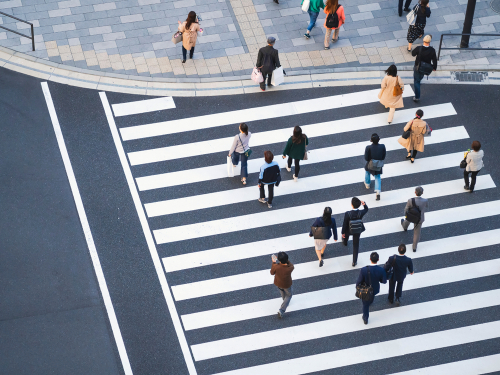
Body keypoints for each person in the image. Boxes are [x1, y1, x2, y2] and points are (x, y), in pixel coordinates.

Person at [356, 252, 387, 324]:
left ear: (370, 259)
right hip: (375, 289)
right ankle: (370, 301)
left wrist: (357, 286)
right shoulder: (381, 270)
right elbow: (384, 281)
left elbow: (359, 281)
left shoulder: (363, 270)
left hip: (365, 290)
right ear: (378, 260)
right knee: (371, 296)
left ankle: (365, 318)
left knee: (365, 304)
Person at [342, 197, 368, 267]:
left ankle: (345, 242)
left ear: (351, 204)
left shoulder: (348, 214)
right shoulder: (361, 212)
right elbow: (366, 209)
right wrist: (364, 204)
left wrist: (343, 232)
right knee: (356, 245)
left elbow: (344, 224)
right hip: (357, 230)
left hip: (349, 229)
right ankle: (354, 261)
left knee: (346, 235)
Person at [401, 186, 428, 252]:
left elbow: (406, 209)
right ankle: (414, 247)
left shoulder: (410, 200)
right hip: (419, 218)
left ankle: (405, 227)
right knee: (417, 233)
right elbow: (426, 209)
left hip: (411, 215)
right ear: (422, 193)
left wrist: (406, 215)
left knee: (407, 220)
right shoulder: (425, 201)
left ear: (415, 192)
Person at [411, 35, 437, 102]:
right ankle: (420, 80)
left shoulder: (419, 48)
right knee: (420, 77)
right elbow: (434, 60)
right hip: (426, 67)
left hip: (418, 66)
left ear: (423, 40)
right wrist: (434, 67)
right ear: (430, 42)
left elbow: (413, 54)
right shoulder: (432, 50)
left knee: (416, 81)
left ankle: (417, 97)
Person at [270, 251, 294, 318]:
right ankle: (282, 310)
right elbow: (291, 265)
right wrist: (286, 260)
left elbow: (272, 273)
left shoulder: (276, 267)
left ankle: (285, 301)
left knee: (282, 291)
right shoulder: (290, 268)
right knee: (289, 295)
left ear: (279, 260)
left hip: (278, 283)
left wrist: (274, 262)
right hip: (286, 284)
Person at [364, 133, 386, 201]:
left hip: (370, 163)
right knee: (378, 177)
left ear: (371, 140)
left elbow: (366, 158)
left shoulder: (368, 147)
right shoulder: (382, 146)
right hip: (378, 164)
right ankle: (378, 192)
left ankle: (367, 184)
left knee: (367, 171)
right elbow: (383, 156)